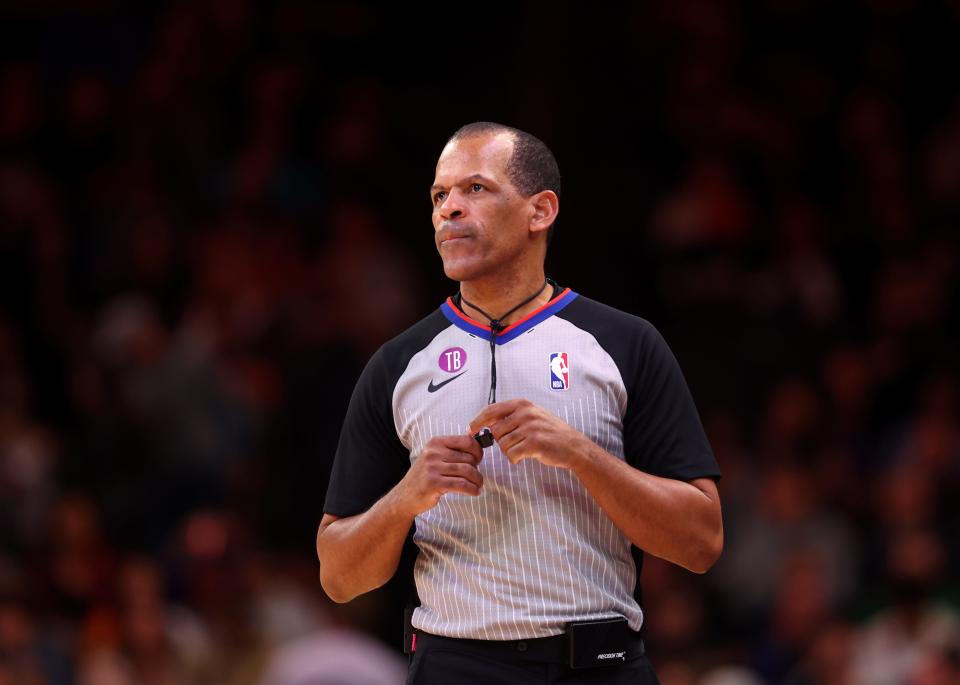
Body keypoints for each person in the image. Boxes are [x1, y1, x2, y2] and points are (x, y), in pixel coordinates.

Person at [316, 121, 723, 684]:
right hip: (455, 665)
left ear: (541, 211)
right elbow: (338, 576)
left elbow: (702, 541)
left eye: (474, 189)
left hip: (599, 663)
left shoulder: (625, 344)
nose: (449, 210)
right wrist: (407, 496)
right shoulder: (397, 364)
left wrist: (582, 454)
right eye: (439, 195)